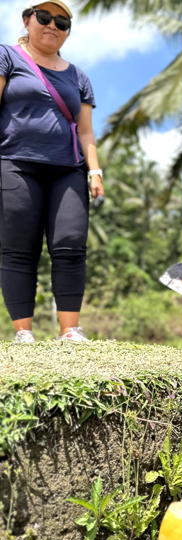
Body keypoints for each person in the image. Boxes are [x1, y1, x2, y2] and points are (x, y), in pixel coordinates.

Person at [0, 0, 104, 342]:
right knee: (19, 248)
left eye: (62, 22)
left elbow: (85, 130)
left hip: (68, 170)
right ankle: (23, 332)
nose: (53, 26)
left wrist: (95, 171)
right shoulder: (7, 56)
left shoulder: (78, 76)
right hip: (15, 163)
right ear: (28, 21)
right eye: (44, 17)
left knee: (71, 245)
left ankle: (70, 331)